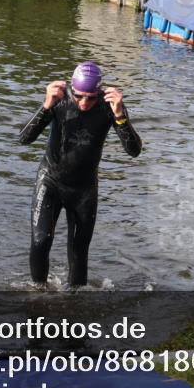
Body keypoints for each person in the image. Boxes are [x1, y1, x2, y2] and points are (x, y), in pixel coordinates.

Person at [19, 61, 142, 287]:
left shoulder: (109, 106)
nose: (84, 102)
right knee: (41, 241)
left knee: (79, 250)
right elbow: (24, 138)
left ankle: (75, 299)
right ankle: (37, 294)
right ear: (72, 90)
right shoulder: (59, 100)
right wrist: (46, 106)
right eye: (79, 96)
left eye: (91, 98)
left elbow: (134, 151)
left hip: (84, 188)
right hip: (51, 181)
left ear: (99, 92)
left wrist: (120, 116)